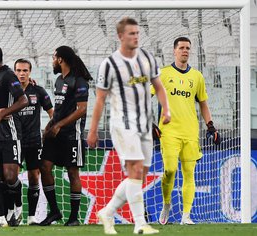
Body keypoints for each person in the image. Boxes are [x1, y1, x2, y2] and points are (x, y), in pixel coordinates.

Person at [86, 17, 171, 235]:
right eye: (131, 33)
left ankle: (107, 211)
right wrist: (93, 130)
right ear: (120, 36)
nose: (135, 37)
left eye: (137, 33)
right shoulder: (109, 64)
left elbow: (159, 87)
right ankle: (140, 224)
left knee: (139, 176)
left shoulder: (147, 59)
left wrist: (166, 109)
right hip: (122, 125)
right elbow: (100, 99)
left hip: (144, 125)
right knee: (134, 170)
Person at [157, 37, 220, 225]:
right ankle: (167, 204)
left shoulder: (197, 77)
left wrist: (210, 126)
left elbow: (203, 103)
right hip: (168, 131)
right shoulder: (163, 74)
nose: (185, 51)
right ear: (174, 51)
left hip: (191, 132)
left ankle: (186, 216)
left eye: (188, 48)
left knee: (189, 174)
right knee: (169, 170)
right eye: (182, 48)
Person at [39, 46, 91, 227]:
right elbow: (59, 109)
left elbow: (82, 109)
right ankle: (54, 211)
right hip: (55, 132)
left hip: (71, 134)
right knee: (44, 167)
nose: (52, 61)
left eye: (54, 57)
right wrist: (50, 125)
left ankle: (74, 217)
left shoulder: (80, 81)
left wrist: (60, 125)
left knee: (72, 172)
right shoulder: (59, 80)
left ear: (60, 59)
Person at [0, 45, 29, 227]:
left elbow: (23, 100)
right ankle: (0, 217)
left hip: (9, 132)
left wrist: (2, 114)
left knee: (10, 177)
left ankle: (17, 207)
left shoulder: (8, 75)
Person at [14, 58, 54, 225]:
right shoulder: (10, 91)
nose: (22, 74)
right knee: (11, 178)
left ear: (30, 72)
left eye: (25, 70)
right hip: (14, 140)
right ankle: (16, 211)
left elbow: (52, 113)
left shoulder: (38, 90)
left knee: (33, 177)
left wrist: (49, 131)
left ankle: (31, 217)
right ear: (14, 72)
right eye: (19, 70)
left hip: (34, 141)